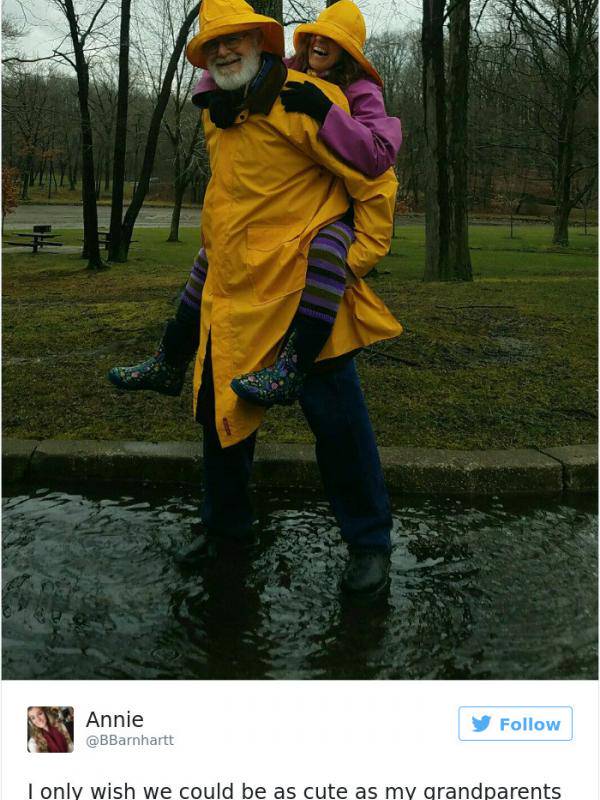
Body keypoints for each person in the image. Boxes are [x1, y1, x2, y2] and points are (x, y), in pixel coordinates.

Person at [121, 0, 402, 597]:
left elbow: (376, 177)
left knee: (340, 429)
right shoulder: (215, 112)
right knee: (220, 420)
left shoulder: (307, 100)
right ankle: (226, 533)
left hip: (307, 297)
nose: (224, 52)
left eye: (235, 41)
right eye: (212, 45)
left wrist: (355, 257)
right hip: (232, 294)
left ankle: (370, 546)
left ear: (261, 42)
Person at [108, 0, 402, 407]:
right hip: (265, 236)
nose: (320, 43)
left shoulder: (356, 92)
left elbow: (379, 158)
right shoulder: (289, 75)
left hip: (335, 218)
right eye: (315, 36)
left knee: (327, 255)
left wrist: (327, 113)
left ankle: (295, 365)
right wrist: (212, 95)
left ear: (349, 53)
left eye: (333, 40)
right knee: (210, 258)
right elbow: (246, 70)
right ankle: (170, 357)